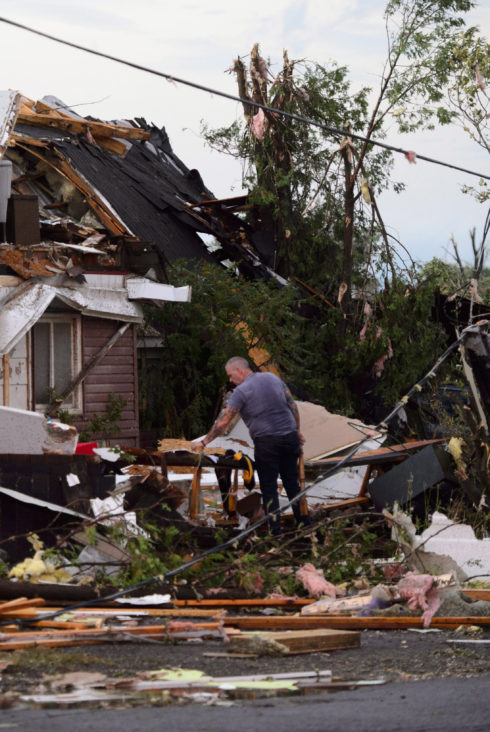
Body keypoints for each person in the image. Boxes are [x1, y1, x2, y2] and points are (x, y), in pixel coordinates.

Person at [192, 356, 310, 534]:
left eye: (231, 376)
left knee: (269, 487)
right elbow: (292, 406)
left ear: (239, 370)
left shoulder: (241, 391)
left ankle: (275, 533)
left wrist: (204, 442)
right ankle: (305, 528)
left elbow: (223, 423)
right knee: (292, 484)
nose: (230, 380)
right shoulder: (272, 378)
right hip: (290, 438)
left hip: (268, 442)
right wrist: (297, 430)